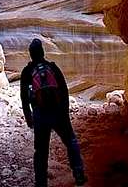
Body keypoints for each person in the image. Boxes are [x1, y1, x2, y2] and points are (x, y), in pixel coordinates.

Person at [20, 38, 87, 187]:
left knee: (41, 151)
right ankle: (79, 174)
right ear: (43, 52)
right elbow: (64, 91)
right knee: (71, 142)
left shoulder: (27, 71)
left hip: (40, 114)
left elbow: (24, 97)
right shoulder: (52, 67)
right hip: (58, 113)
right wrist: (65, 113)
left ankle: (41, 183)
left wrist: (29, 118)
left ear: (30, 54)